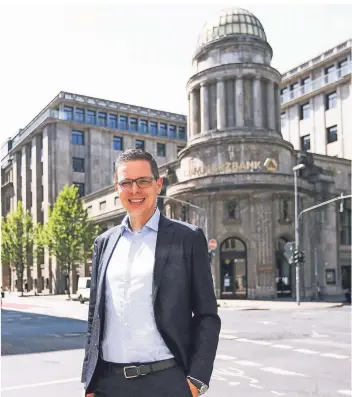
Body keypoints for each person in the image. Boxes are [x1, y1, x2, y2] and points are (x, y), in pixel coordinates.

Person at [81, 149, 221, 397]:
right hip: (108, 384)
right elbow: (95, 316)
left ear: (158, 185)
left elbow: (207, 315)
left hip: (165, 381)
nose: (134, 190)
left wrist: (197, 379)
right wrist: (89, 381)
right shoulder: (104, 243)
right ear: (117, 188)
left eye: (143, 181)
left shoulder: (187, 238)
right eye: (126, 182)